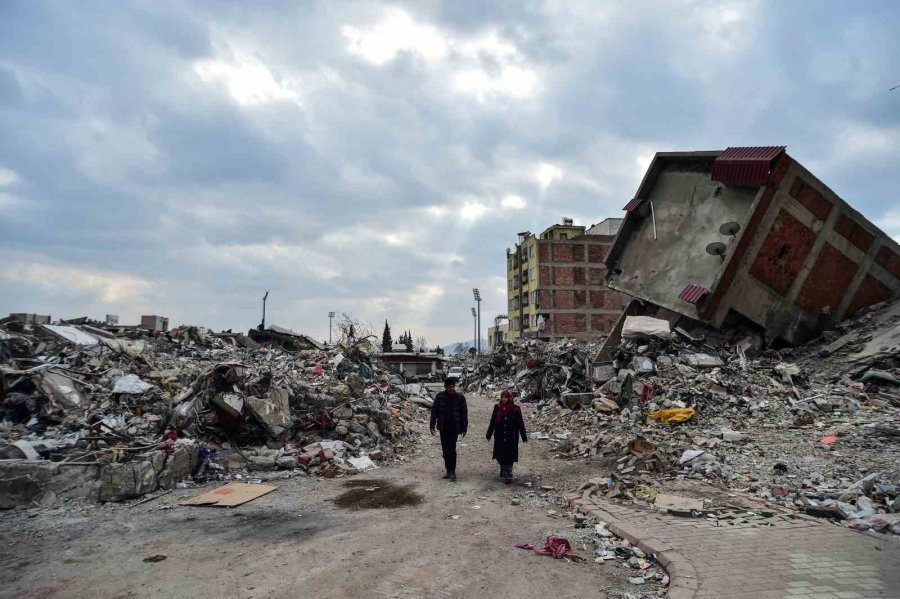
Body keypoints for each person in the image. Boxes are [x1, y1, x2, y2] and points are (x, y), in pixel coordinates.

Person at [430, 377, 468, 480]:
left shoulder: (460, 397)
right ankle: (448, 469)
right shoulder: (440, 397)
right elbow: (434, 412)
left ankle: (452, 471)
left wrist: (464, 428)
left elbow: (464, 414)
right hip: (443, 427)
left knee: (451, 449)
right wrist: (432, 425)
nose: (451, 389)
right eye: (449, 387)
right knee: (445, 449)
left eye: (453, 387)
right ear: (446, 387)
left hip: (455, 427)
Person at [486, 389, 527, 483]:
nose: (504, 399)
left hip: (511, 436)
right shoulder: (497, 407)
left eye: (506, 397)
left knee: (509, 455)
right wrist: (489, 434)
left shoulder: (516, 409)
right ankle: (503, 469)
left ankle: (508, 474)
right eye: (502, 397)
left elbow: (520, 423)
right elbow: (493, 421)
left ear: (509, 398)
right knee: (500, 454)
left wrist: (523, 436)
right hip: (500, 435)